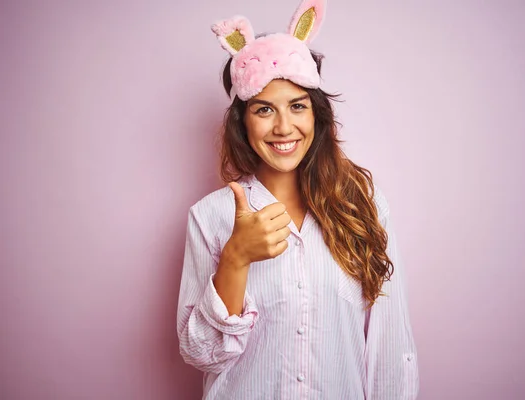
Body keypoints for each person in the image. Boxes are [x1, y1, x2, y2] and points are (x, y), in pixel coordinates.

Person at [176, 0, 419, 398]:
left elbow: (391, 347)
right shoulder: (210, 216)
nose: (283, 127)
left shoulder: (365, 206)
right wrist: (236, 258)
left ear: (316, 115)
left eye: (297, 106)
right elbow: (201, 354)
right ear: (243, 121)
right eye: (264, 109)